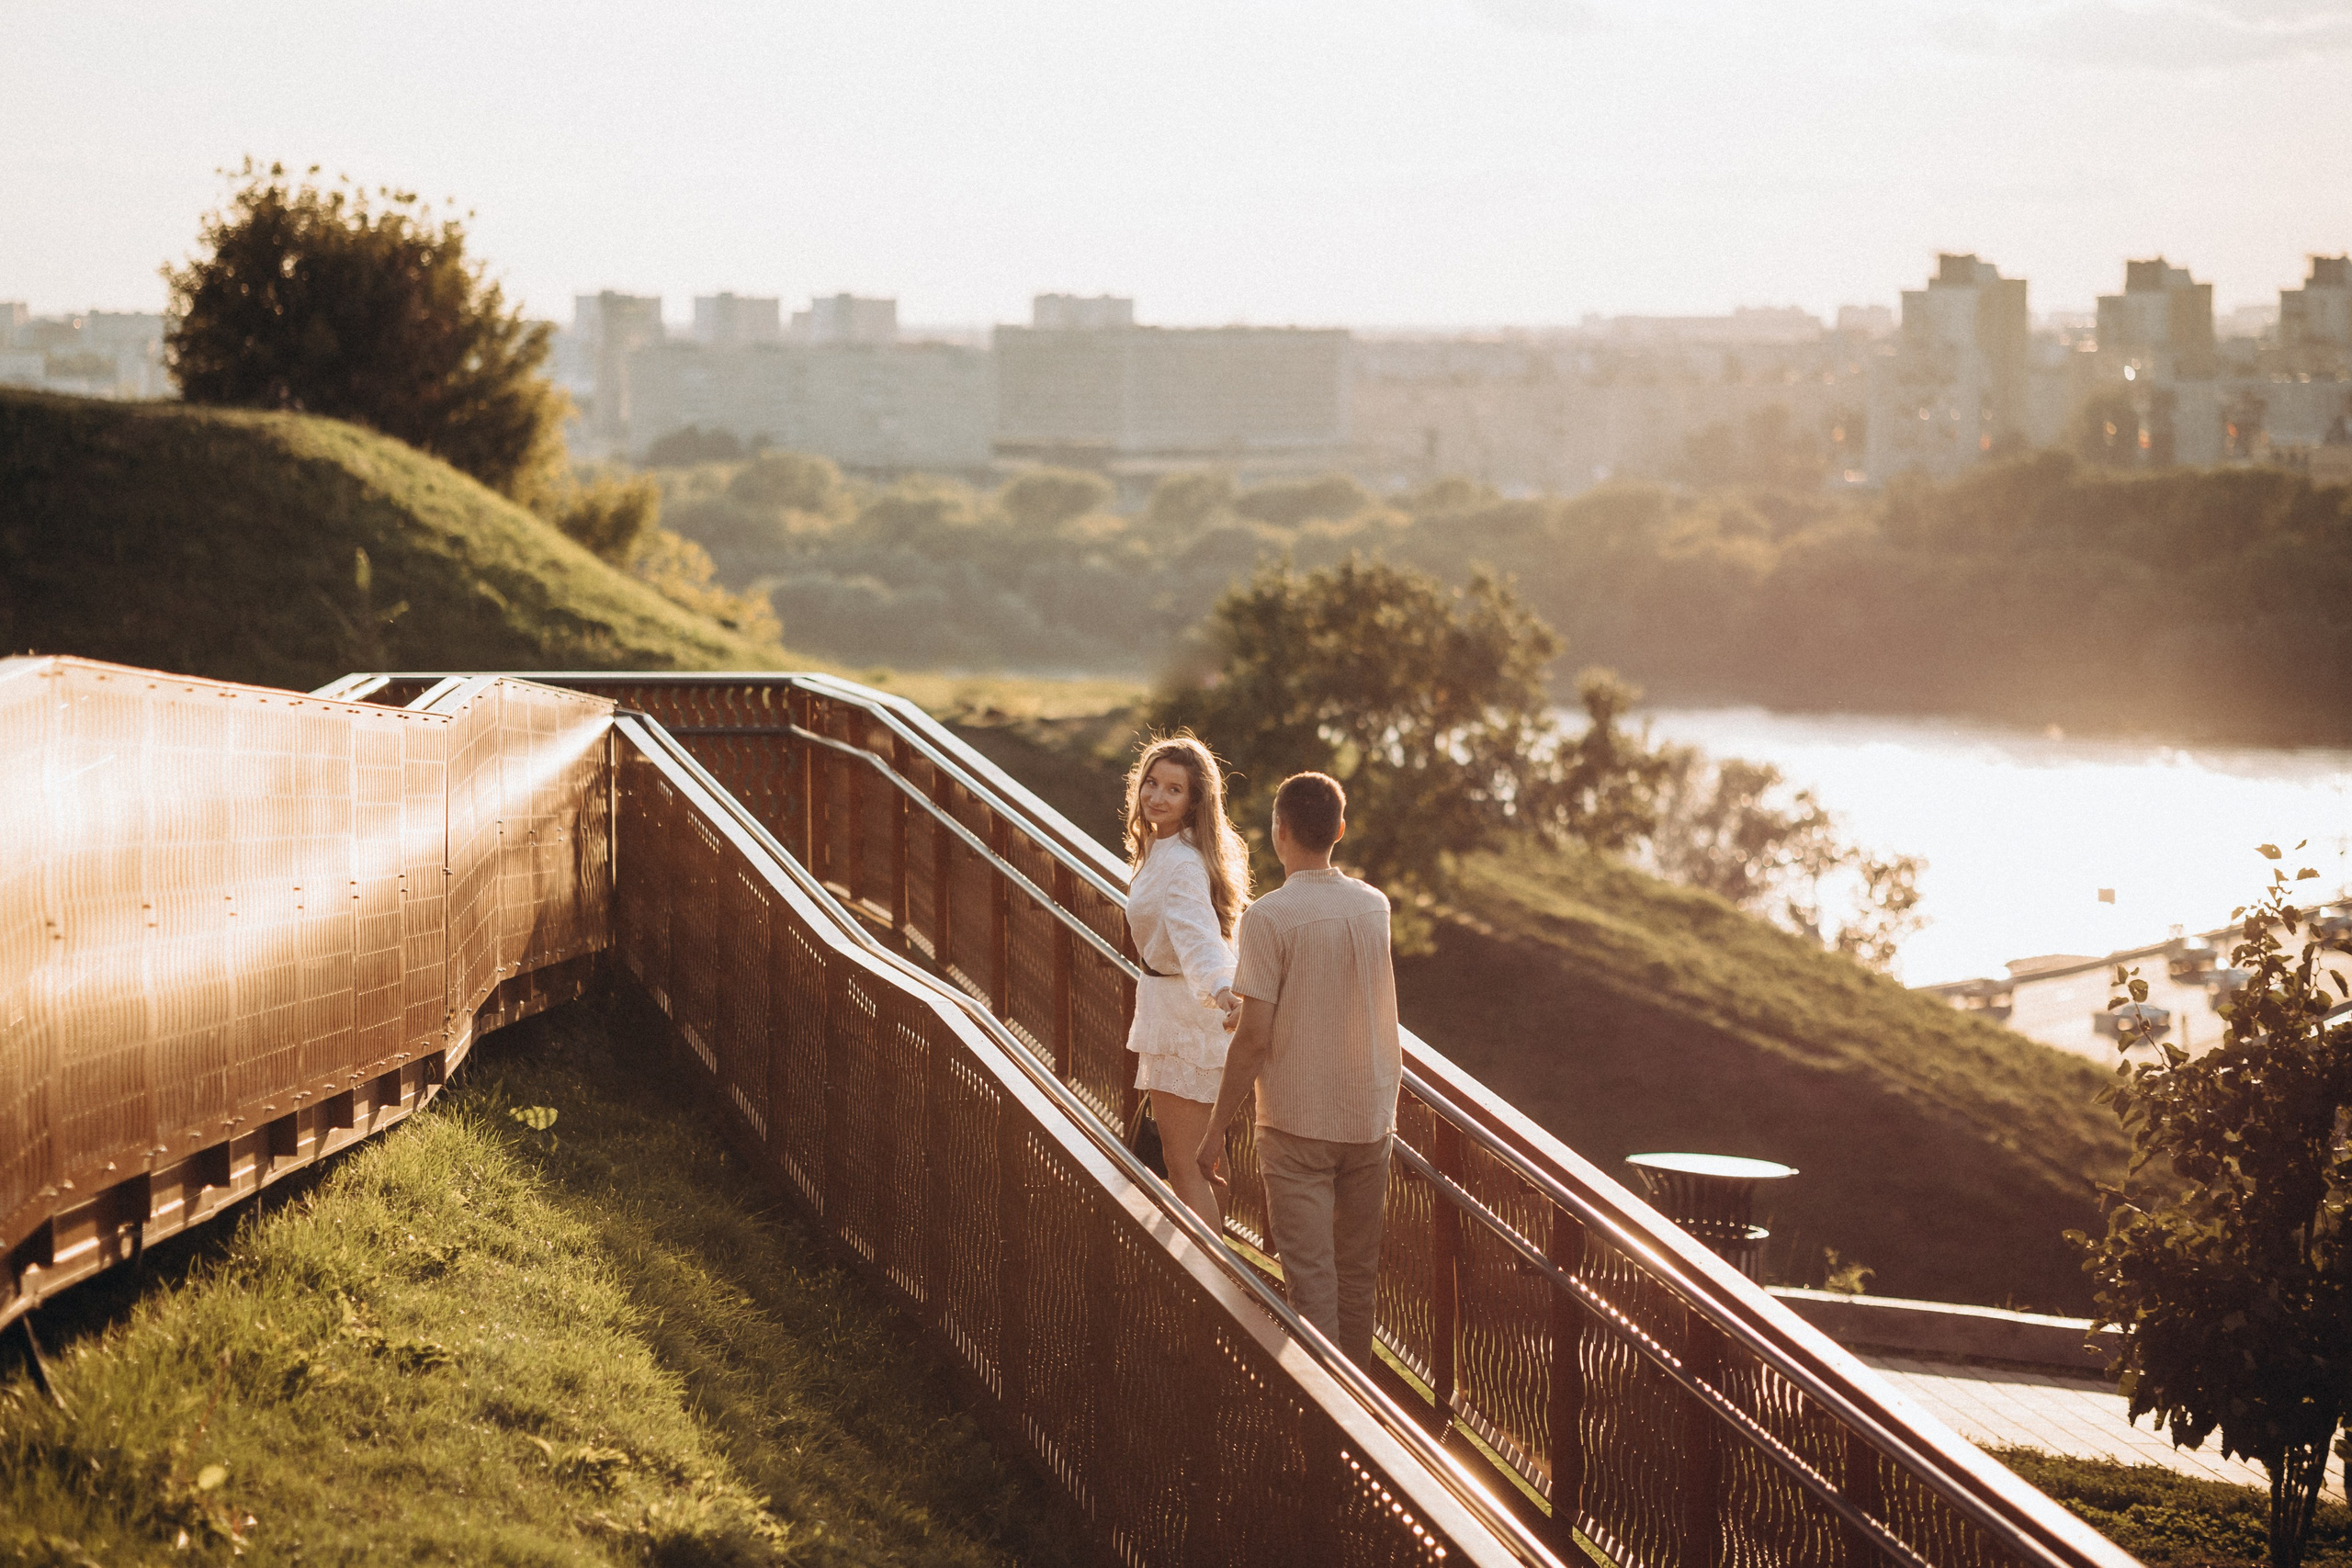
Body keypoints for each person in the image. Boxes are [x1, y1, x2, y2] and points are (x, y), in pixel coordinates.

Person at [1196, 772, 1401, 1366]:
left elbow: (1255, 1036)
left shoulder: (1267, 917)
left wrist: (1214, 1134)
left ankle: (1328, 1432)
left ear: (1278, 831)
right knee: (1357, 1280)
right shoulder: (1373, 907)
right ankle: (1364, 1427)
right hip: (1369, 1119)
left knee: (1312, 1285)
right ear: (1339, 829)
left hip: (1296, 1124)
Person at [1121, 734, 1250, 1225]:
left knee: (1185, 1164)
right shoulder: (1169, 847)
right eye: (1151, 783)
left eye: (1173, 789)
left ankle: (1211, 1289)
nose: (1156, 796)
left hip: (1184, 1020)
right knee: (1205, 1161)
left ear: (1194, 800)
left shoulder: (1180, 864)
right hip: (1177, 1010)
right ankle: (1224, 1266)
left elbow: (1199, 940)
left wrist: (1224, 992)